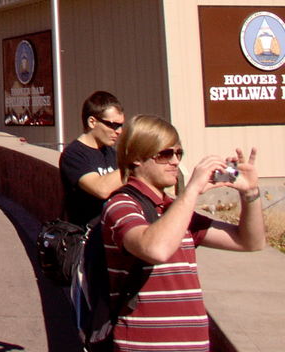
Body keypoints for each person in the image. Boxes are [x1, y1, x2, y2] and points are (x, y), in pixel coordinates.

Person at [102, 115, 264, 351]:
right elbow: (155, 249)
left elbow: (250, 241)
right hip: (143, 345)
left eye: (179, 153)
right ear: (136, 157)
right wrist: (192, 190)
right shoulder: (122, 205)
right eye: (165, 154)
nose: (175, 161)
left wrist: (250, 194)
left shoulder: (173, 209)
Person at [59, 90, 125, 226]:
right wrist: (132, 165)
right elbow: (101, 189)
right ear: (92, 122)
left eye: (121, 125)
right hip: (87, 235)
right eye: (113, 125)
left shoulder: (111, 153)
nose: (119, 131)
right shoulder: (74, 154)